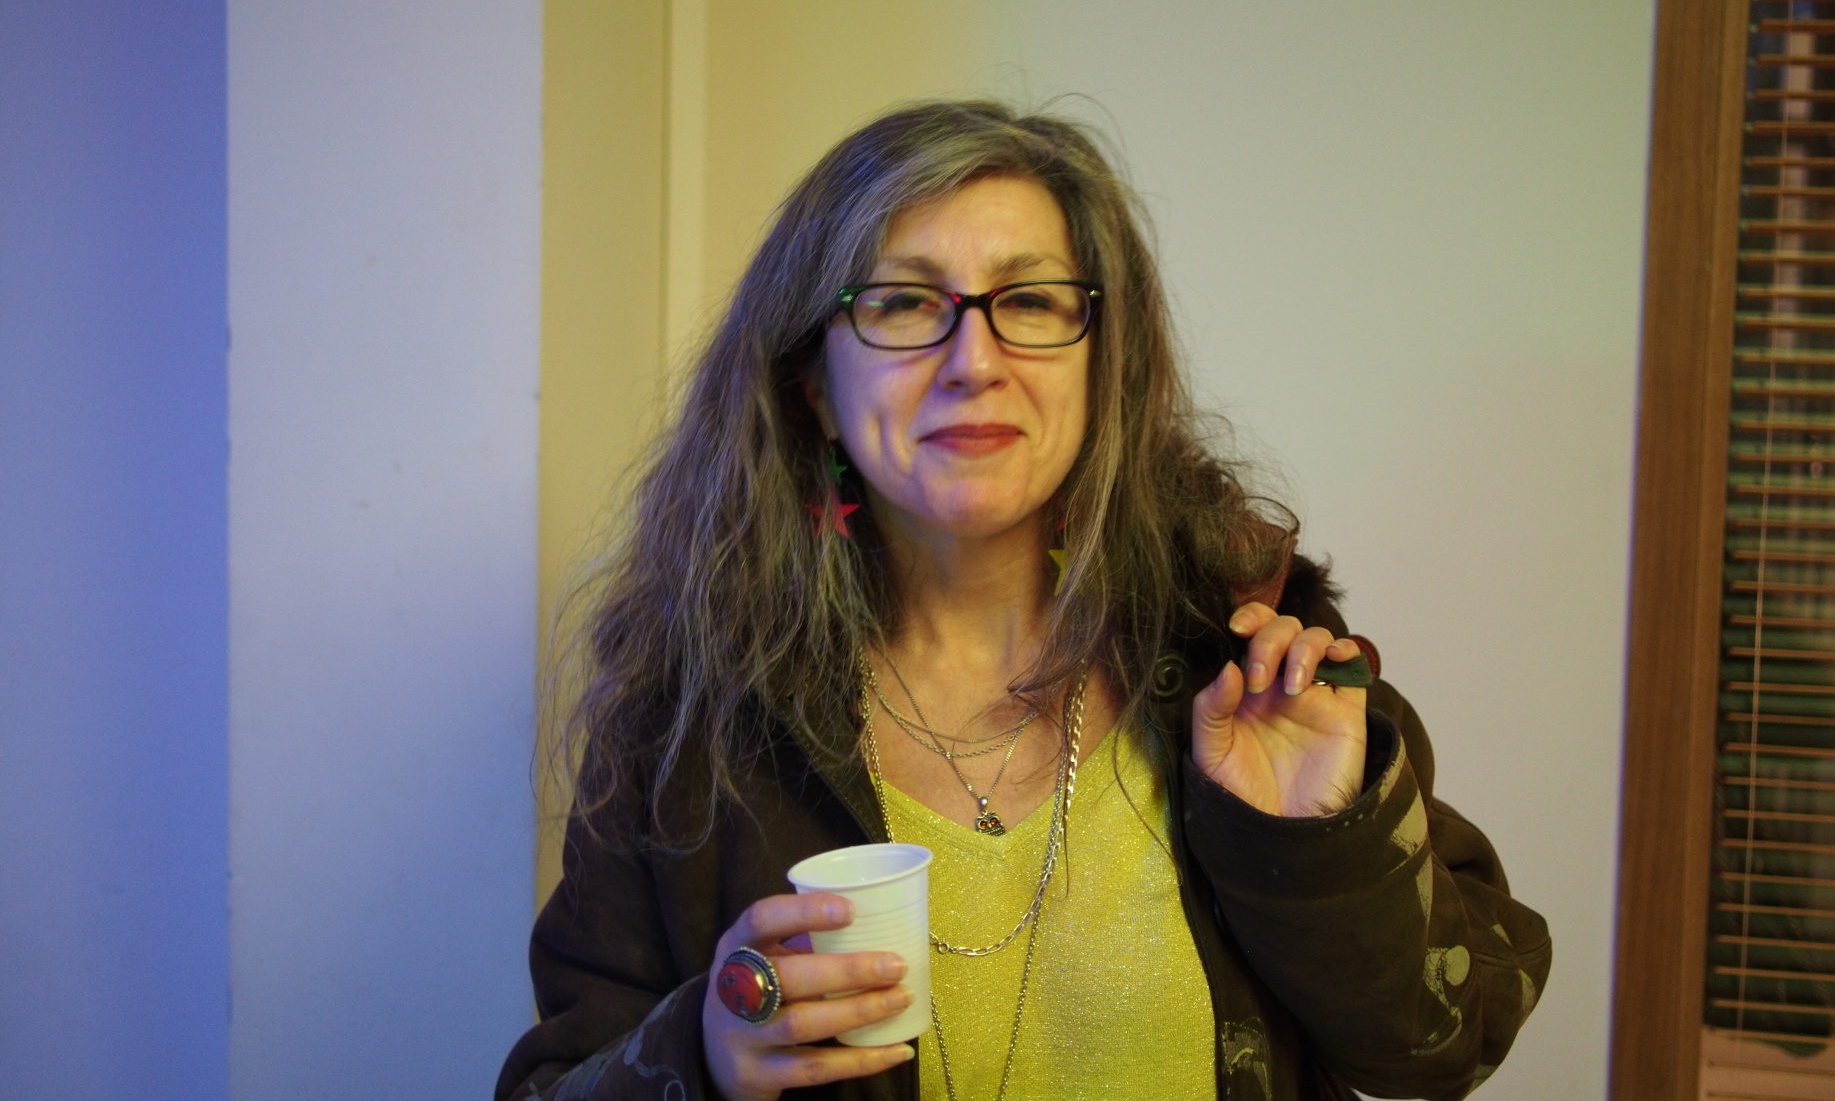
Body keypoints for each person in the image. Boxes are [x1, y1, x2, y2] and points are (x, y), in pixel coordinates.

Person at [496, 101, 1550, 1101]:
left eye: (1031, 302)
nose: (974, 361)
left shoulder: (1246, 655)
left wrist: (1317, 846)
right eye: (903, 302)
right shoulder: (691, 726)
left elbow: (1442, 1050)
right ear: (815, 388)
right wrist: (708, 1052)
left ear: (1102, 365)